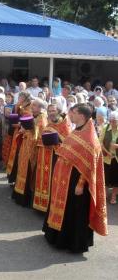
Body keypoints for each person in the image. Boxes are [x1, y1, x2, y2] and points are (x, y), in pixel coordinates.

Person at [43, 103, 108, 253]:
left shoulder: (91, 138)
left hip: (76, 183)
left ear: (82, 116)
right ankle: (56, 237)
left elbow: (89, 166)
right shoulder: (77, 130)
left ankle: (72, 243)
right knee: (65, 211)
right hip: (64, 180)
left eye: (73, 112)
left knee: (75, 212)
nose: (70, 114)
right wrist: (55, 145)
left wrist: (80, 184)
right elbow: (68, 151)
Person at [33, 103, 71, 212]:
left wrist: (56, 135)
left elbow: (68, 141)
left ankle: (52, 206)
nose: (51, 113)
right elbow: (40, 138)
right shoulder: (48, 124)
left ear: (58, 111)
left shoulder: (64, 124)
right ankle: (41, 206)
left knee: (54, 181)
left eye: (53, 111)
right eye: (49, 111)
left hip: (56, 157)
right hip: (44, 157)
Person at [12, 98, 47, 207]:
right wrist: (22, 129)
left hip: (33, 149)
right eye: (32, 105)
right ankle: (18, 194)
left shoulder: (42, 118)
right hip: (25, 147)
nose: (32, 107)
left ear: (41, 108)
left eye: (35, 105)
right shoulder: (32, 115)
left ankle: (25, 198)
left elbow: (40, 135)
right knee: (21, 169)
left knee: (28, 171)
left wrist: (28, 131)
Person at [6, 91, 32, 184]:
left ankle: (19, 180)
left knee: (19, 156)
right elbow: (14, 117)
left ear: (25, 98)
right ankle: (13, 178)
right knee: (15, 155)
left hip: (25, 135)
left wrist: (19, 124)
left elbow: (29, 121)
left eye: (21, 97)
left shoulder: (30, 107)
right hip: (17, 132)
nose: (19, 99)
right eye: (19, 97)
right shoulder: (18, 106)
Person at [100, 111, 118, 204]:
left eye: (114, 121)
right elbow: (100, 142)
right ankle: (105, 194)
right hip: (107, 157)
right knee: (106, 177)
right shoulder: (105, 128)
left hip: (117, 159)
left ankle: (114, 196)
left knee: (116, 179)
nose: (112, 123)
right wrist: (107, 152)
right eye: (111, 121)